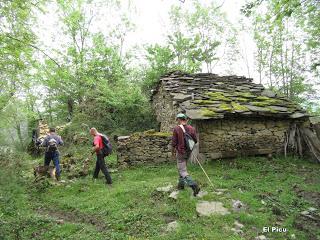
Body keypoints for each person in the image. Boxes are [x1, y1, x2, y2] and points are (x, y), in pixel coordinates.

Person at [172, 113, 200, 196]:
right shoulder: (192, 128)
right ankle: (181, 186)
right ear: (185, 119)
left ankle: (194, 185)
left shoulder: (177, 128)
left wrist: (173, 151)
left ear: (179, 119)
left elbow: (174, 142)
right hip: (188, 152)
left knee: (182, 170)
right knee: (182, 168)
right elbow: (195, 140)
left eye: (177, 120)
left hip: (180, 152)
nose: (177, 121)